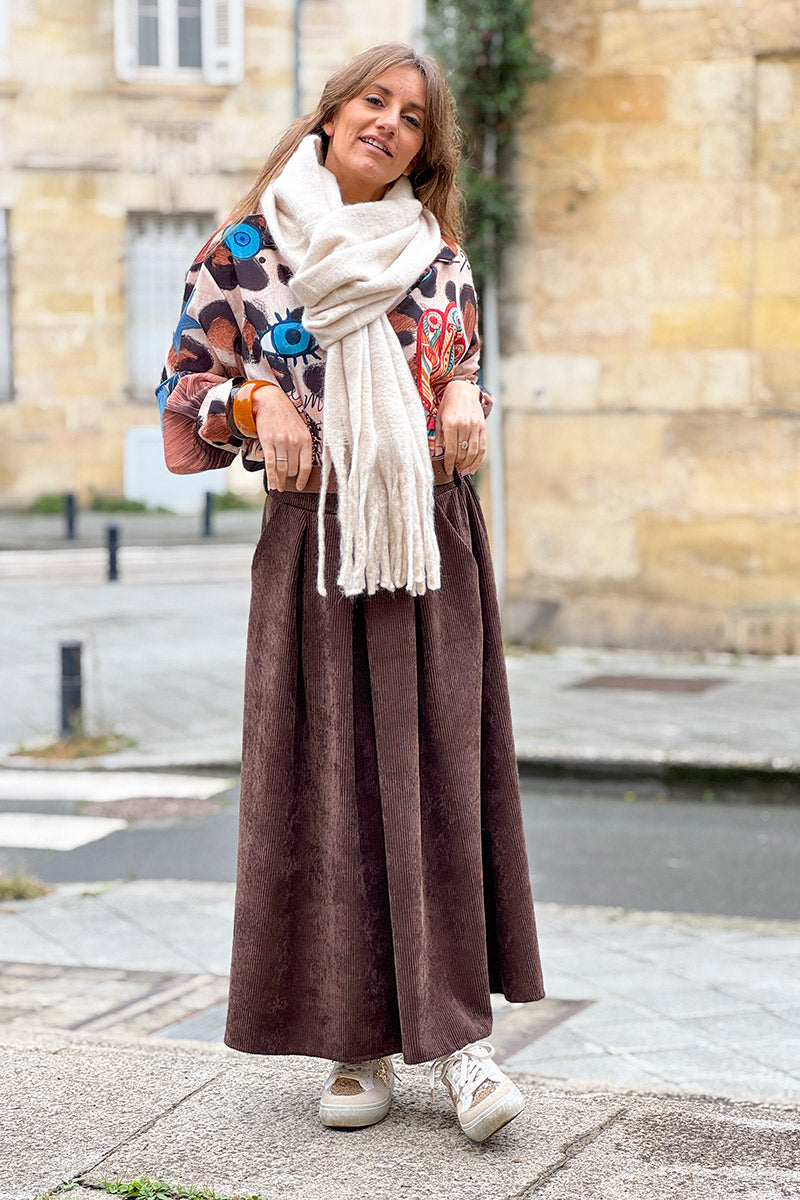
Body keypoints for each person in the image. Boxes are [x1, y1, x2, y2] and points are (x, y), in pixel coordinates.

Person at [159, 41, 544, 1144]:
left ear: (425, 152)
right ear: (329, 113)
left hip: (429, 538)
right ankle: (354, 1040)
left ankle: (461, 1044)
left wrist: (467, 386)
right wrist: (253, 404)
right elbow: (185, 387)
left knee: (440, 780)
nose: (387, 122)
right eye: (372, 101)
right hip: (316, 540)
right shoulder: (246, 251)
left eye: (411, 117)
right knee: (326, 787)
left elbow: (456, 360)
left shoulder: (439, 260)